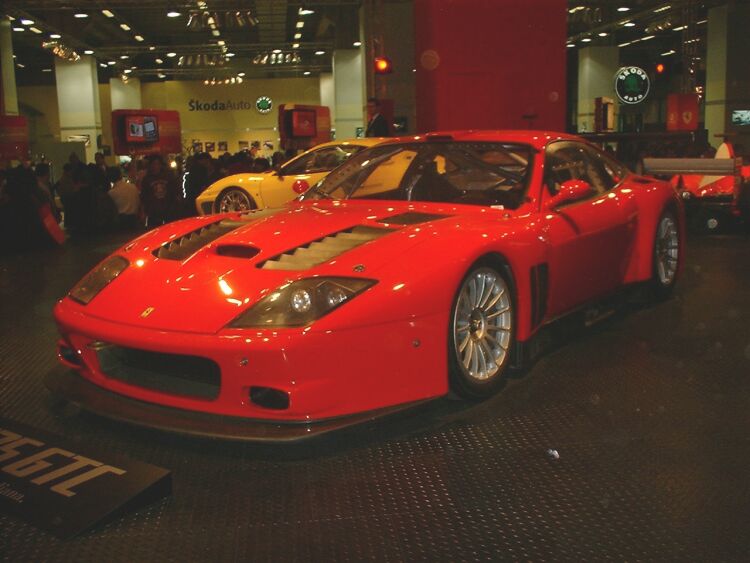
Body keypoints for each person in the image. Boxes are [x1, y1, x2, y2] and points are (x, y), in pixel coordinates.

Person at [140, 155, 181, 226]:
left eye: (158, 164)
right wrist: (144, 211)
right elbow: (144, 196)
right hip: (153, 211)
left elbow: (174, 192)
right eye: (154, 164)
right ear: (150, 165)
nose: (156, 166)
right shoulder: (147, 179)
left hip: (168, 209)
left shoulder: (168, 176)